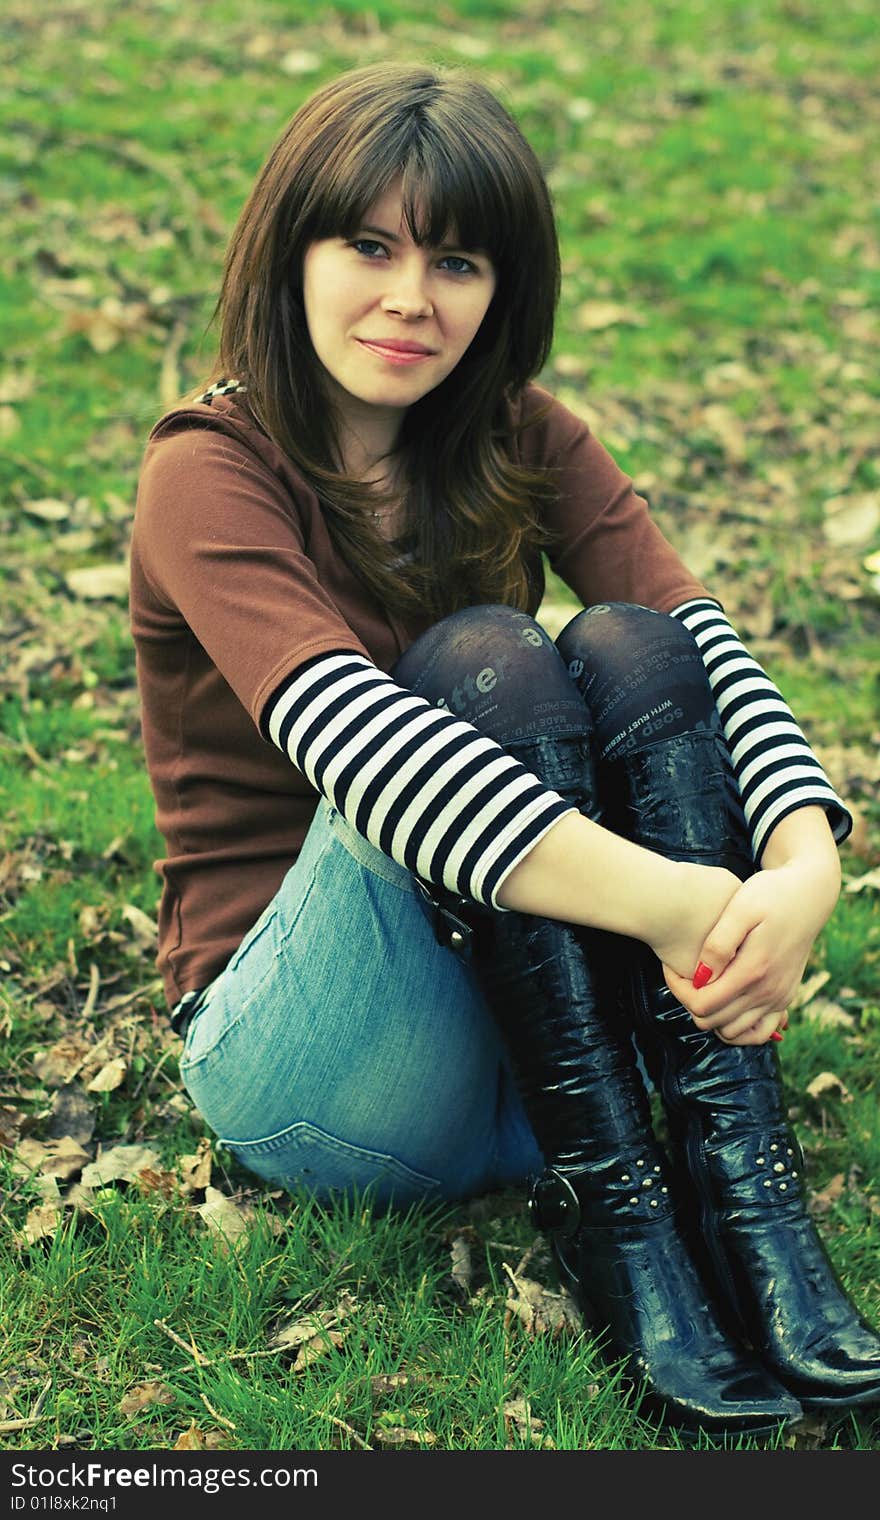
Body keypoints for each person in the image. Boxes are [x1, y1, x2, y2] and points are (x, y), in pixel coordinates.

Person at [130, 61, 880, 1438]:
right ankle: (622, 1204)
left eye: (457, 260)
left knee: (638, 650)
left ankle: (732, 1190)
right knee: (484, 662)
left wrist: (802, 861)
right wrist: (681, 905)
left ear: (503, 286)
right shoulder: (208, 470)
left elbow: (704, 645)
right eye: (369, 245)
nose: (412, 298)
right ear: (289, 248)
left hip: (526, 1049)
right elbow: (360, 749)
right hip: (318, 1062)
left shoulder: (522, 432)